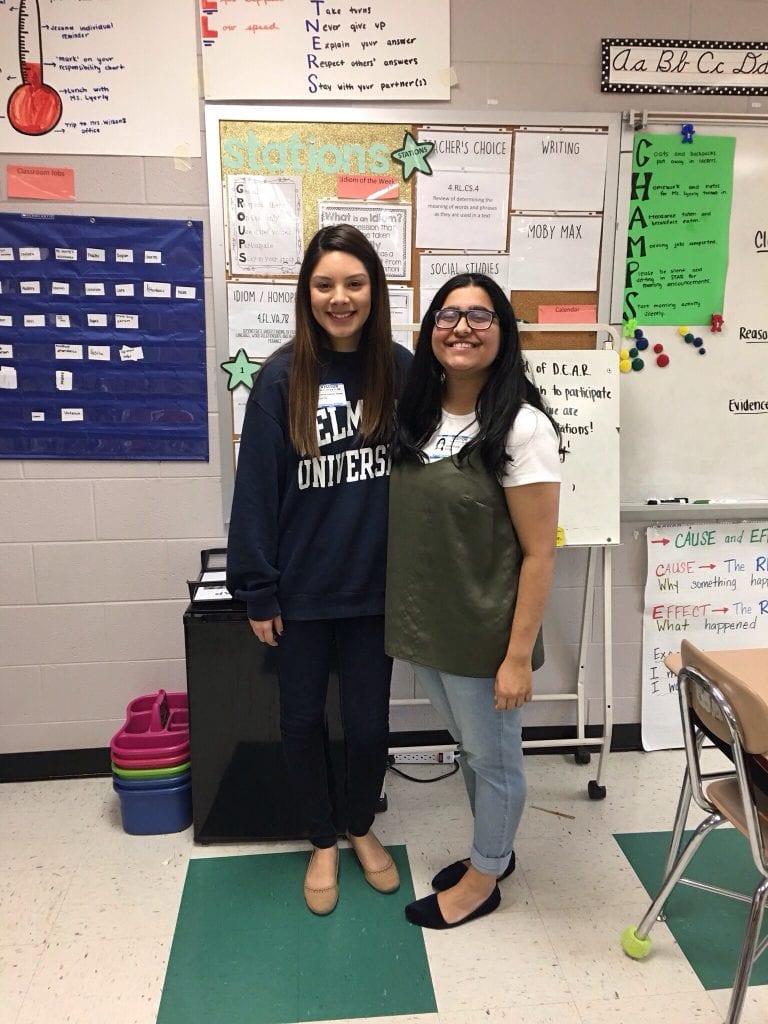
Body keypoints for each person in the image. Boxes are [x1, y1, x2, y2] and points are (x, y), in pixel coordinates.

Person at [227, 224, 412, 915]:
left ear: (374, 291)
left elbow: (438, 466)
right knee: (301, 721)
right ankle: (322, 840)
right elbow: (255, 490)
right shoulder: (281, 376)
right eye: (326, 284)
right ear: (307, 293)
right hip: (300, 594)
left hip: (376, 594)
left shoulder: (401, 368)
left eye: (355, 283)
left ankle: (362, 826)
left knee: (368, 728)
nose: (341, 297)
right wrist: (258, 588)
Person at [385, 273, 561, 930]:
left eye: (480, 316)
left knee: (494, 756)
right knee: (471, 747)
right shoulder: (419, 418)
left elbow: (540, 553)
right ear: (431, 330)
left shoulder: (522, 427)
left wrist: (516, 657)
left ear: (503, 333)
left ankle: (485, 876)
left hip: (486, 639)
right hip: (428, 631)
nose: (461, 326)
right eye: (448, 314)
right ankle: (495, 849)